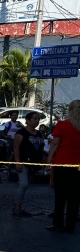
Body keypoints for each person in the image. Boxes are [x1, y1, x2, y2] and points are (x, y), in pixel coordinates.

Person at [46, 99, 80, 233]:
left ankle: (57, 224)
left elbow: (54, 144)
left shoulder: (63, 124)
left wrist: (49, 160)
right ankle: (70, 225)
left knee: (60, 195)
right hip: (78, 165)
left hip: (62, 162)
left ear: (70, 110)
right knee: (75, 196)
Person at [12, 112, 44, 218]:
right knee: (23, 184)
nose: (37, 121)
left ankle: (19, 206)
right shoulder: (21, 133)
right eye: (35, 118)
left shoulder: (39, 134)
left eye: (38, 119)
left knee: (26, 185)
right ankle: (17, 208)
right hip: (23, 162)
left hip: (34, 164)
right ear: (28, 120)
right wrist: (18, 162)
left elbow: (41, 149)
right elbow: (16, 148)